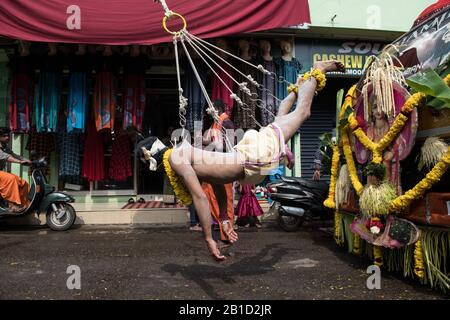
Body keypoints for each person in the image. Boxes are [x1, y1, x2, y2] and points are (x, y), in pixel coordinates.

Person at [137, 60, 345, 260]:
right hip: (246, 156)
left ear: (152, 159)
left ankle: (317, 70)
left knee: (303, 113)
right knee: (280, 120)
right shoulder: (183, 155)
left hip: (250, 157)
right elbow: (217, 180)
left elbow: (200, 197)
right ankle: (301, 84)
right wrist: (225, 219)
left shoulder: (176, 157)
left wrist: (209, 238)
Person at [0, 127, 32, 212]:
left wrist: (28, 161)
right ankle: (12, 205)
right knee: (11, 179)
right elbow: (7, 157)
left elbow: (14, 155)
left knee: (23, 182)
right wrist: (19, 162)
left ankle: (25, 204)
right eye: (4, 136)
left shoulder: (5, 147)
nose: (7, 137)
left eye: (8, 135)